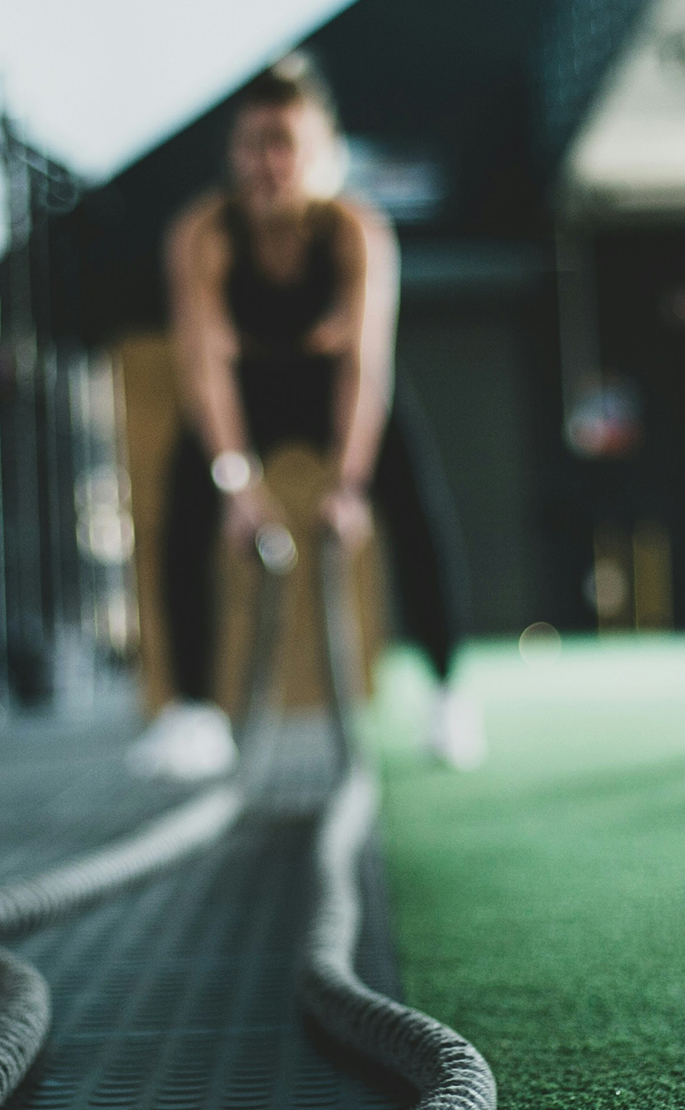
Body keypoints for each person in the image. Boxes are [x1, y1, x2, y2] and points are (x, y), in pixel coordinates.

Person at [126, 54, 483, 782]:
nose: (268, 163)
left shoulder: (355, 231)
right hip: (246, 389)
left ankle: (448, 694)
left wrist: (348, 487)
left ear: (321, 152)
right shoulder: (203, 234)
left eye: (285, 143)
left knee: (414, 504)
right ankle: (193, 713)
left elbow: (364, 366)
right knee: (183, 505)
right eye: (254, 145)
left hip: (332, 388)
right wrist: (237, 487)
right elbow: (205, 370)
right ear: (234, 154)